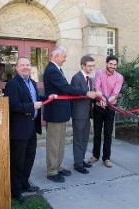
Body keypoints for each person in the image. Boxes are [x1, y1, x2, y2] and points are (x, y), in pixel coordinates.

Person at [43, 46, 97, 183]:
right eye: (64, 57)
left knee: (60, 143)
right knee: (54, 144)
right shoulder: (51, 70)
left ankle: (58, 167)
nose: (65, 59)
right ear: (56, 56)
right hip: (54, 113)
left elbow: (63, 89)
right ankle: (52, 171)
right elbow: (65, 88)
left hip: (60, 113)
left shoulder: (57, 69)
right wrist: (85, 92)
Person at [4, 56, 45, 203]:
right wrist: (31, 106)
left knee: (29, 158)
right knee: (17, 161)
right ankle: (16, 191)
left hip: (31, 127)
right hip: (19, 130)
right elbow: (13, 106)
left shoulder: (32, 82)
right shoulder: (12, 84)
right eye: (22, 65)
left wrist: (48, 97)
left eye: (28, 65)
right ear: (16, 67)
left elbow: (34, 97)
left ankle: (24, 183)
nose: (26, 67)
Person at [88, 55, 124, 168]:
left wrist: (107, 101)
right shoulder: (99, 73)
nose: (112, 66)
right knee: (97, 132)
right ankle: (95, 155)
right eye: (110, 64)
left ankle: (106, 158)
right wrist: (102, 99)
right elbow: (96, 88)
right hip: (98, 106)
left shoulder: (119, 77)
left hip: (110, 107)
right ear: (107, 63)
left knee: (108, 133)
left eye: (114, 64)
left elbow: (115, 93)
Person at [71, 55, 95, 174]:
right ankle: (78, 164)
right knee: (78, 139)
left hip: (87, 114)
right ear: (82, 65)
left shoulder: (90, 79)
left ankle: (81, 159)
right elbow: (75, 95)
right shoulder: (76, 78)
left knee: (85, 138)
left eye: (92, 66)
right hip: (79, 114)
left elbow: (91, 96)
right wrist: (89, 94)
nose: (91, 68)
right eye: (89, 66)